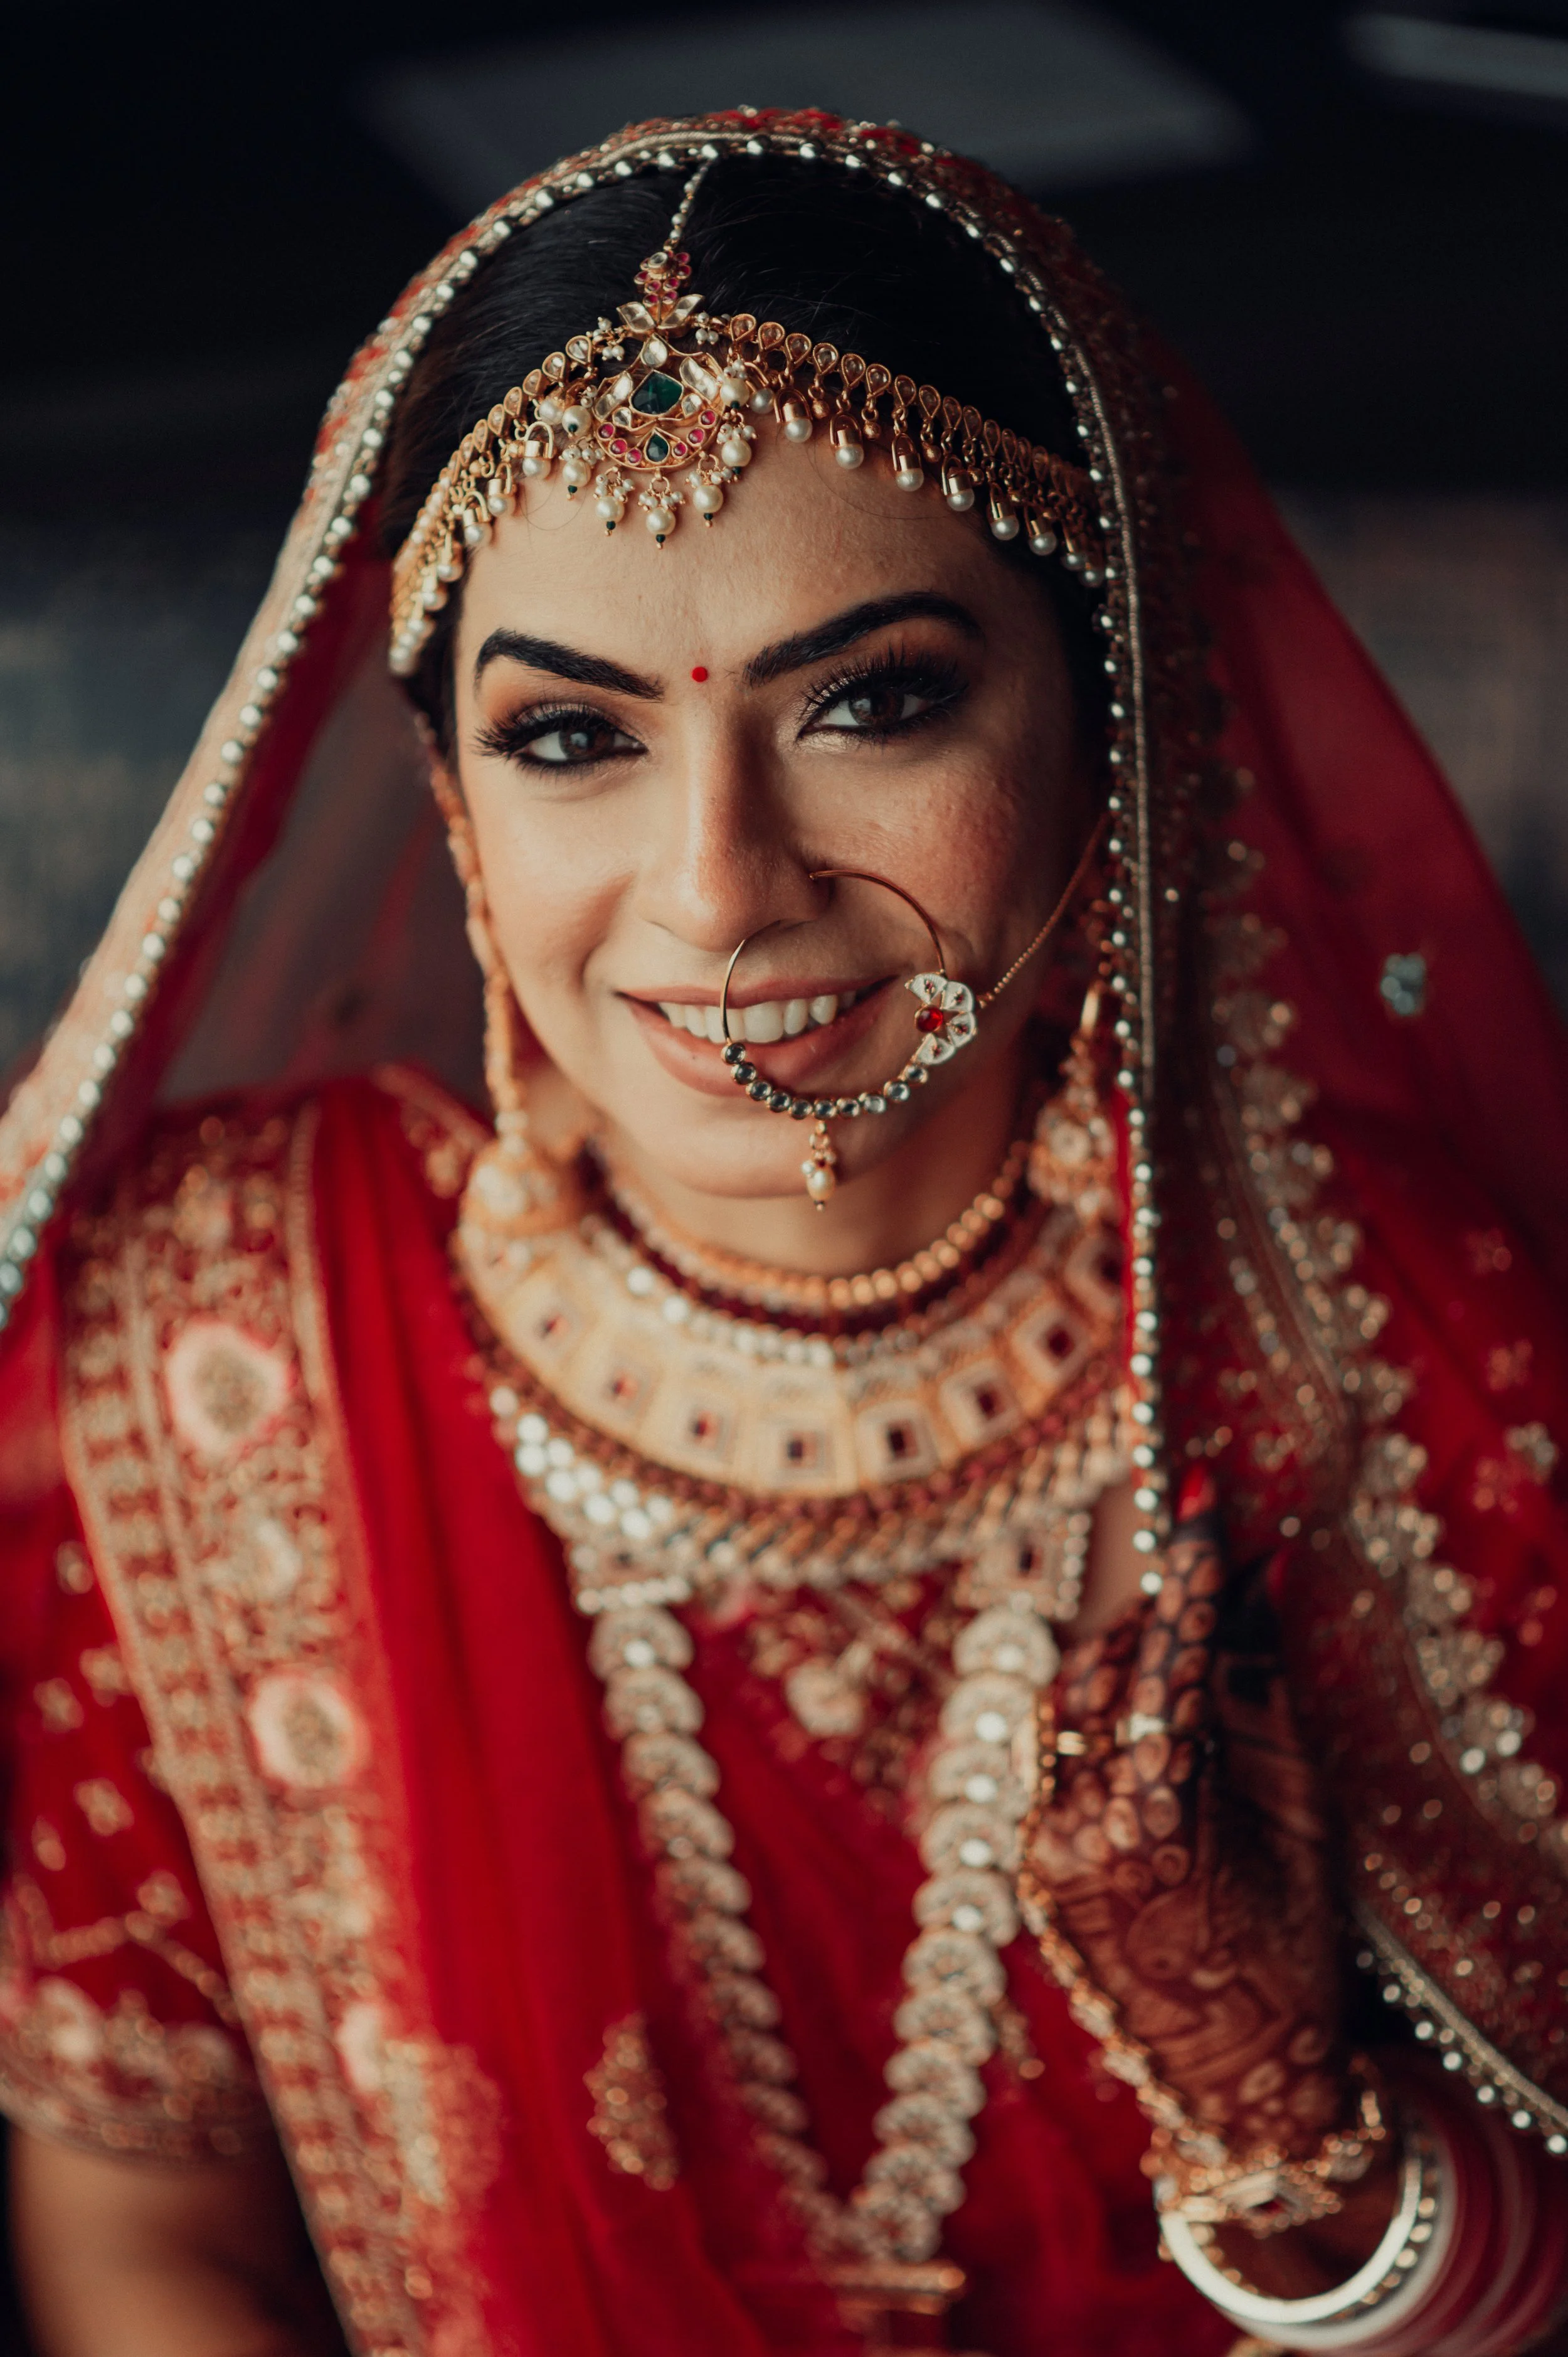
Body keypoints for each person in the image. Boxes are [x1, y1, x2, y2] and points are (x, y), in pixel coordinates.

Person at [0, 107, 1565, 2357]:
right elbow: (146, 2227)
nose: (722, 887)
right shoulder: (221, 1328)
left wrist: (1295, 2137)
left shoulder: (1378, 1353)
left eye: (876, 700)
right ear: (451, 800)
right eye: (571, 735)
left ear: (1115, 727)